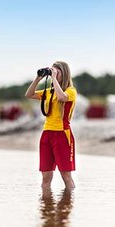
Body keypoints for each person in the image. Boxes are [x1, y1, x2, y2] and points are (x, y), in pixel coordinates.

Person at [25, 61, 77, 189]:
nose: (54, 74)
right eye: (53, 71)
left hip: (62, 135)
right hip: (46, 134)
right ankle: (46, 208)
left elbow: (62, 98)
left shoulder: (71, 91)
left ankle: (68, 207)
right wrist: (38, 78)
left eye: (57, 72)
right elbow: (29, 94)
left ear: (63, 73)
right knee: (45, 178)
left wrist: (53, 78)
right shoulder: (49, 91)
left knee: (66, 177)